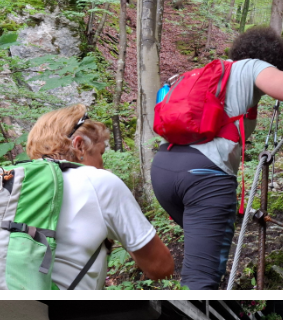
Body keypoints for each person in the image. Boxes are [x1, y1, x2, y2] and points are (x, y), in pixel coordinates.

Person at [150, 26, 283, 289]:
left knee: (200, 256)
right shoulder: (253, 67)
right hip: (203, 178)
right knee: (202, 279)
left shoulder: (207, 75)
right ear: (274, 61)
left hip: (164, 169)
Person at [23, 106, 174, 288]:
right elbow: (160, 267)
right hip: (61, 313)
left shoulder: (7, 181)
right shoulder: (98, 182)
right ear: (79, 146)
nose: (102, 164)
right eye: (101, 153)